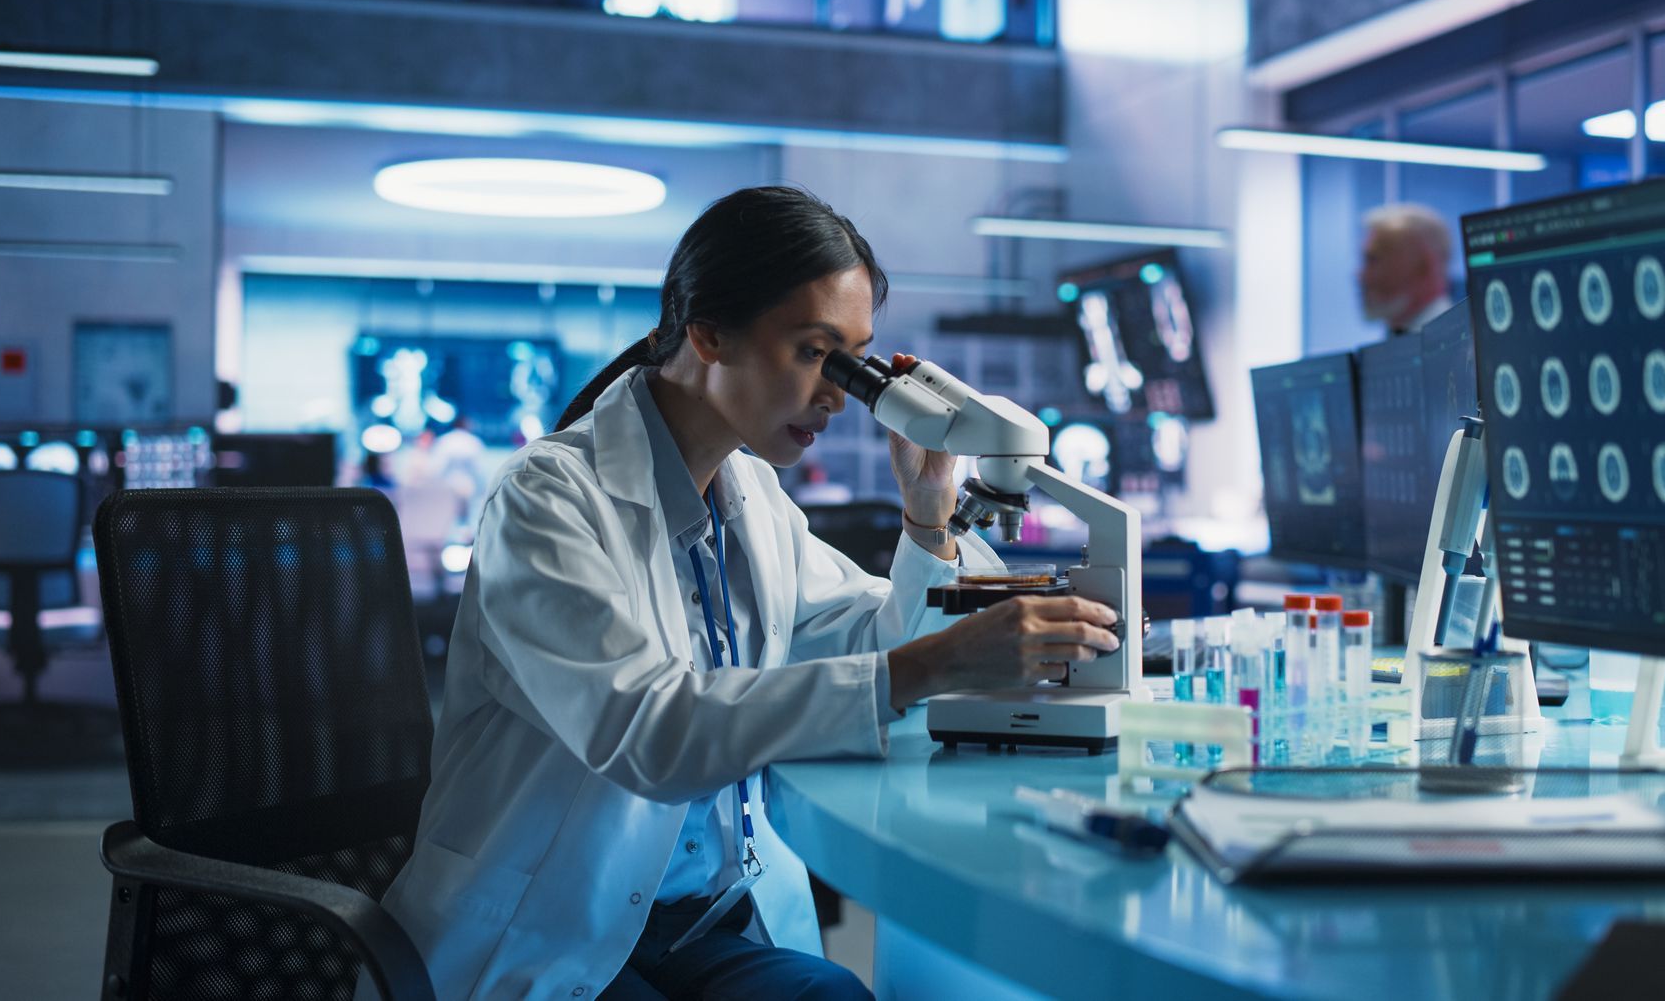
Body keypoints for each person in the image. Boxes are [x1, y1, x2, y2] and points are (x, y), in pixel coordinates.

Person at [371, 186, 1119, 1001]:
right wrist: (937, 659)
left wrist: (929, 517)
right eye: (813, 352)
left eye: (856, 361)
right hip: (553, 929)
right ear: (708, 332)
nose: (838, 393)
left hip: (707, 925)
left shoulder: (751, 495)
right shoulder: (548, 499)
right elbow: (648, 730)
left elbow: (872, 645)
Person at [1359, 202, 1455, 336]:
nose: (1362, 275)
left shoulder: (1461, 345)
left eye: (1374, 260)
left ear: (1425, 266)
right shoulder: (1400, 338)